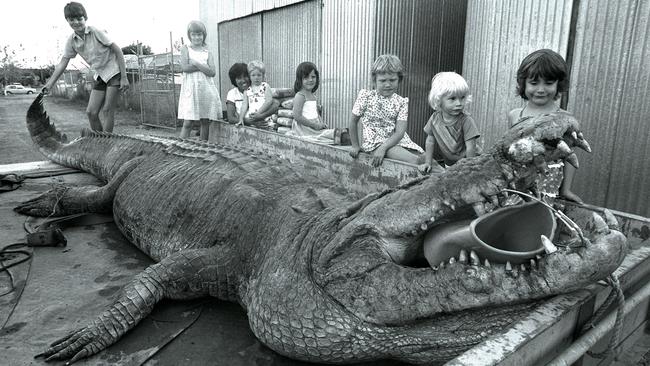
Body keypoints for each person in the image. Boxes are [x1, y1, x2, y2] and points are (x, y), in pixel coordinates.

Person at [507, 49, 582, 203]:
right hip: (518, 186)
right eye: (534, 83)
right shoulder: (515, 115)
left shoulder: (565, 119)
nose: (541, 89)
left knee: (541, 222)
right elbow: (509, 152)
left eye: (548, 83)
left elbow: (570, 155)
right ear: (523, 83)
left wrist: (566, 190)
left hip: (547, 186)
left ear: (558, 84)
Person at [42, 2, 129, 133]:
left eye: (79, 19)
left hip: (114, 72)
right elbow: (63, 63)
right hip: (100, 75)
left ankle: (106, 143)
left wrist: (124, 77)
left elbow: (117, 50)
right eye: (72, 20)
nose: (76, 22)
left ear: (85, 18)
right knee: (91, 112)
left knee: (107, 110)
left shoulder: (95, 31)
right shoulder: (72, 40)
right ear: (67, 20)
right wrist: (49, 84)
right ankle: (99, 142)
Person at [348, 54, 424, 167]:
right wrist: (355, 145)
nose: (388, 84)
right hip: (375, 143)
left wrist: (384, 148)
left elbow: (400, 132)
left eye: (392, 80)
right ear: (375, 80)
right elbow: (353, 121)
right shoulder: (366, 96)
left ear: (399, 80)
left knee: (426, 158)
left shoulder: (401, 102)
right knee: (415, 161)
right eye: (383, 81)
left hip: (397, 141)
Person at [419, 72, 480, 173]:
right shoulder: (434, 119)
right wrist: (428, 162)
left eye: (462, 98)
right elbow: (430, 141)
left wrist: (469, 168)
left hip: (471, 163)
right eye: (453, 99)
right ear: (439, 100)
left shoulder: (466, 121)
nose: (459, 103)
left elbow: (471, 147)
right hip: (450, 165)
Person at [177, 20, 222, 141]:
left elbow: (212, 72)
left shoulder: (208, 53)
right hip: (191, 90)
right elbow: (185, 68)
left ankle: (203, 148)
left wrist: (196, 63)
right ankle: (179, 147)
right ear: (189, 35)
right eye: (194, 34)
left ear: (204, 35)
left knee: (205, 121)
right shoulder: (185, 49)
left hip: (205, 90)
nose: (197, 37)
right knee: (188, 121)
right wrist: (204, 67)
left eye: (200, 34)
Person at [287, 62, 336, 144]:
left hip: (314, 125)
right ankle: (336, 134)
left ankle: (337, 135)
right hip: (304, 127)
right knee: (318, 138)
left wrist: (321, 123)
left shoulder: (313, 96)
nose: (310, 80)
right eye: (306, 77)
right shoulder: (300, 95)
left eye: (313, 77)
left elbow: (316, 113)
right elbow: (297, 116)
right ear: (300, 79)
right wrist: (314, 125)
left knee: (326, 134)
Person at [236, 60, 275, 129]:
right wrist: (241, 118)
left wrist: (259, 113)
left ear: (263, 76)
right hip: (253, 120)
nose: (256, 77)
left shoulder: (265, 86)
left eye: (259, 75)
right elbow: (244, 105)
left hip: (264, 117)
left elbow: (269, 101)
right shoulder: (247, 90)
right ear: (249, 76)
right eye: (253, 75)